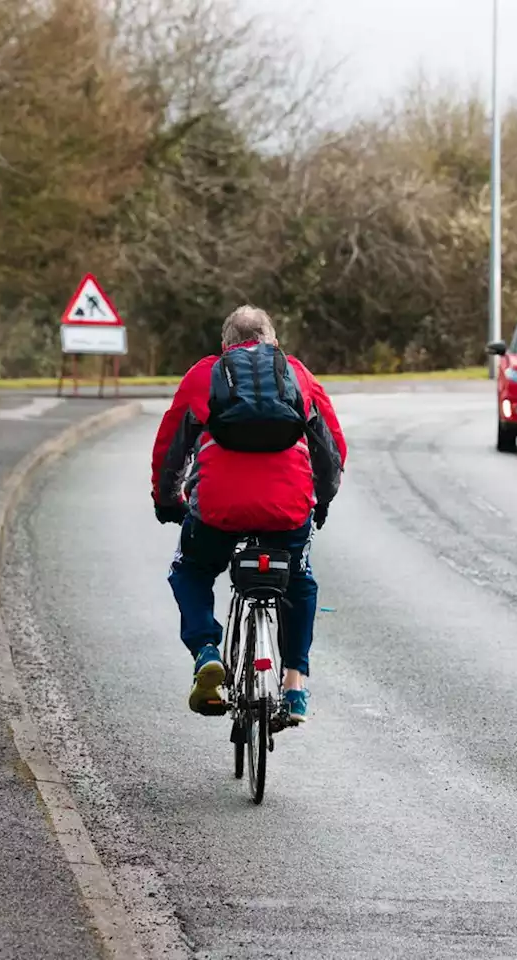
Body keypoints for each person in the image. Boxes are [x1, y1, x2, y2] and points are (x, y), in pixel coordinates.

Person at [151, 305, 346, 724]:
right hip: (288, 507)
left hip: (218, 508)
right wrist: (323, 500)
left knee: (193, 571)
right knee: (299, 580)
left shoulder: (204, 375)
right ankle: (294, 686)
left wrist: (166, 499)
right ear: (273, 342)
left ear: (225, 346)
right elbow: (332, 449)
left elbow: (170, 447)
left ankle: (206, 651)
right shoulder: (297, 374)